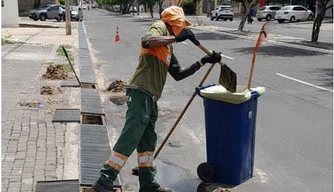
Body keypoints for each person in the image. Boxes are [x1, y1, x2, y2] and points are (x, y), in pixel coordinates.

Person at [92, 6, 222, 192]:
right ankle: (105, 179)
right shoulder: (159, 26)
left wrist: (203, 61)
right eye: (180, 26)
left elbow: (178, 74)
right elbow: (147, 41)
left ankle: (148, 185)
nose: (181, 29)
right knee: (131, 135)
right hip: (140, 91)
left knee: (147, 143)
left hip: (151, 97)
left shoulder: (167, 47)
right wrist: (177, 38)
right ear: (174, 22)